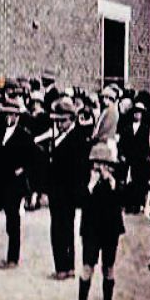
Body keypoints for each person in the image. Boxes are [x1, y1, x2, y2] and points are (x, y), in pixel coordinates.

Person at [0, 95, 37, 269]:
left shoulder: (24, 136)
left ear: (18, 116)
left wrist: (22, 170)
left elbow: (32, 160)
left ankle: (13, 258)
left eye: (12, 115)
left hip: (13, 186)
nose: (8, 118)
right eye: (6, 114)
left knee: (12, 222)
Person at [75, 143, 123, 300]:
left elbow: (123, 199)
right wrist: (91, 185)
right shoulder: (86, 179)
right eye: (97, 164)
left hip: (110, 230)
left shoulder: (115, 181)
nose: (100, 168)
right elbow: (79, 200)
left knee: (109, 268)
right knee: (87, 267)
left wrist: (112, 183)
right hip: (91, 230)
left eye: (105, 164)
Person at [47, 96, 88, 280]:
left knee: (61, 228)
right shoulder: (60, 137)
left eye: (63, 121)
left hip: (67, 192)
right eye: (57, 121)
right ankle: (66, 266)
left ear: (72, 119)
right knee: (63, 228)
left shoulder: (77, 138)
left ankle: (64, 268)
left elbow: (80, 169)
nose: (59, 124)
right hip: (58, 191)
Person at [118, 100, 150, 214]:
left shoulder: (146, 129)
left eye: (139, 113)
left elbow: (148, 144)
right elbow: (122, 143)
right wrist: (122, 154)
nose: (137, 115)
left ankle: (137, 204)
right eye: (135, 113)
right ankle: (128, 204)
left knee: (139, 182)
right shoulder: (127, 129)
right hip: (129, 158)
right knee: (128, 182)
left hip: (140, 160)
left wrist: (146, 155)